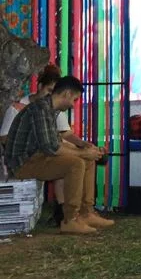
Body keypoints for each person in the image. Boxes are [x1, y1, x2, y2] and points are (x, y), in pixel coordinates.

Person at [4, 76, 113, 234]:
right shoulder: (40, 109)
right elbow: (51, 148)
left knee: (87, 160)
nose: (73, 104)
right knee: (76, 163)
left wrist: (86, 149)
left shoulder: (49, 110)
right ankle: (70, 220)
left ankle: (86, 213)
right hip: (23, 164)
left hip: (38, 157)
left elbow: (55, 143)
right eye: (74, 99)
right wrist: (82, 152)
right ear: (67, 94)